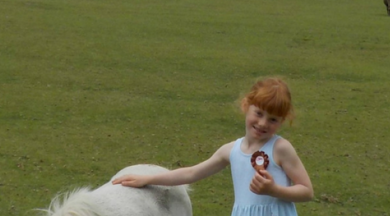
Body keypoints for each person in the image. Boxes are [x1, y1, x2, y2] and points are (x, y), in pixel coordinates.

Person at [112, 77, 314, 216]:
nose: (263, 124)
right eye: (259, 114)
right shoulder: (231, 151)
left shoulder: (281, 148)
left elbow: (306, 191)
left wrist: (274, 190)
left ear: (283, 120)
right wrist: (148, 178)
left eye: (273, 120)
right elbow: (191, 173)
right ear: (246, 105)